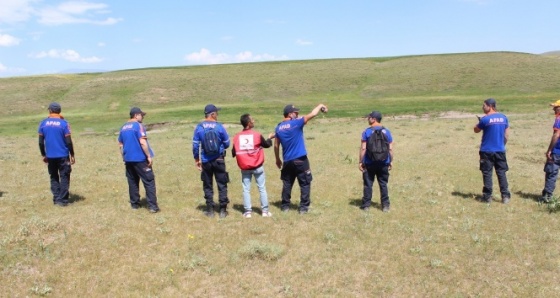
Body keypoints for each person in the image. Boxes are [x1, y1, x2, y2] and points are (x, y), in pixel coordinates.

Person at [274, 103, 328, 214]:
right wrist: (320, 105)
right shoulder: (296, 123)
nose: (298, 114)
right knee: (305, 183)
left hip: (287, 161)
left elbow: (276, 145)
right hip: (300, 159)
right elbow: (313, 114)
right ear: (290, 114)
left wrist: (277, 159)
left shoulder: (278, 127)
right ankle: (303, 207)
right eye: (296, 112)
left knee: (287, 183)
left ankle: (285, 206)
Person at [232, 114, 275, 218]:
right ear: (248, 123)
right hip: (257, 167)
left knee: (246, 189)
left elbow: (233, 152)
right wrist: (269, 138)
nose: (254, 121)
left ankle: (248, 212)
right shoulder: (257, 135)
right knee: (262, 188)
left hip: (245, 168)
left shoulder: (237, 137)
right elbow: (267, 145)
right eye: (252, 120)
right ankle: (265, 211)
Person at [118, 107, 160, 213]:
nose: (143, 117)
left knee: (132, 182)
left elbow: (120, 145)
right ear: (136, 115)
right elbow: (143, 142)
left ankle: (135, 205)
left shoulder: (123, 127)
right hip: (140, 159)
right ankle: (152, 207)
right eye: (142, 115)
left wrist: (124, 157)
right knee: (149, 181)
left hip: (128, 160)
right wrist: (149, 156)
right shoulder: (138, 126)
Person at [193, 104, 231, 218]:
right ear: (212, 114)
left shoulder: (199, 127)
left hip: (205, 161)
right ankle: (223, 210)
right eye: (216, 113)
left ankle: (210, 210)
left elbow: (195, 146)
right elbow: (227, 143)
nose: (217, 115)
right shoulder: (219, 127)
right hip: (219, 159)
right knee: (222, 184)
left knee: (207, 185)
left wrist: (197, 159)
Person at [38, 102, 76, 207]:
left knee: (53, 176)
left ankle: (56, 198)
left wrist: (43, 154)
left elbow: (41, 142)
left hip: (50, 156)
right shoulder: (64, 123)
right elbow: (68, 141)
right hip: (63, 155)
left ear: (50, 110)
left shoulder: (43, 123)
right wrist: (72, 154)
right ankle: (63, 200)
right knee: (64, 176)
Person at [474, 98, 511, 204]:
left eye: (484, 105)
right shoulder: (504, 118)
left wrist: (480, 122)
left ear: (490, 106)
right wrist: (501, 145)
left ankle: (487, 197)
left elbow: (476, 130)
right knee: (501, 173)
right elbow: (507, 134)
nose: (482, 107)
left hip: (487, 150)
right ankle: (505, 196)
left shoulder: (485, 119)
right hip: (500, 150)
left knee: (487, 173)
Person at [359, 111, 393, 212]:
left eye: (369, 117)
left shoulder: (366, 132)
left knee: (368, 184)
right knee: (383, 183)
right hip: (384, 162)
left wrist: (361, 161)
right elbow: (390, 149)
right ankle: (385, 205)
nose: (367, 119)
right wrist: (390, 160)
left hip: (369, 163)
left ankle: (366, 205)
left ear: (374, 119)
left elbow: (363, 149)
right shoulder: (387, 132)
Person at [541, 99, 560, 202]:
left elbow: (556, 135)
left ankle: (547, 196)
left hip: (557, 151)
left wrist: (549, 150)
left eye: (556, 107)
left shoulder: (559, 120)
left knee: (551, 173)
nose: (553, 109)